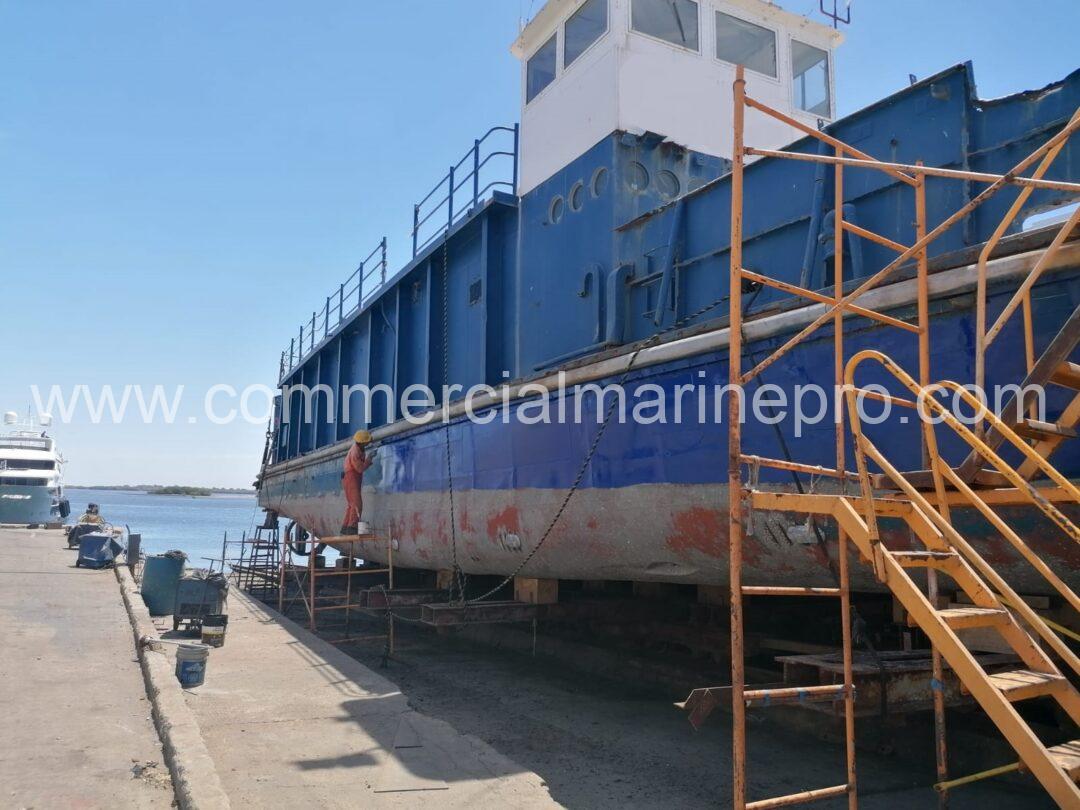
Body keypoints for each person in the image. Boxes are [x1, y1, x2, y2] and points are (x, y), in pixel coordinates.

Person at [341, 430, 374, 535]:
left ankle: (345, 527)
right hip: (351, 476)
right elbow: (359, 468)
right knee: (356, 504)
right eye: (367, 441)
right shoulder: (355, 452)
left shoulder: (359, 448)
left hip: (352, 476)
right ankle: (352, 528)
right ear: (362, 442)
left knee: (351, 504)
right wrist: (369, 460)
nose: (368, 443)